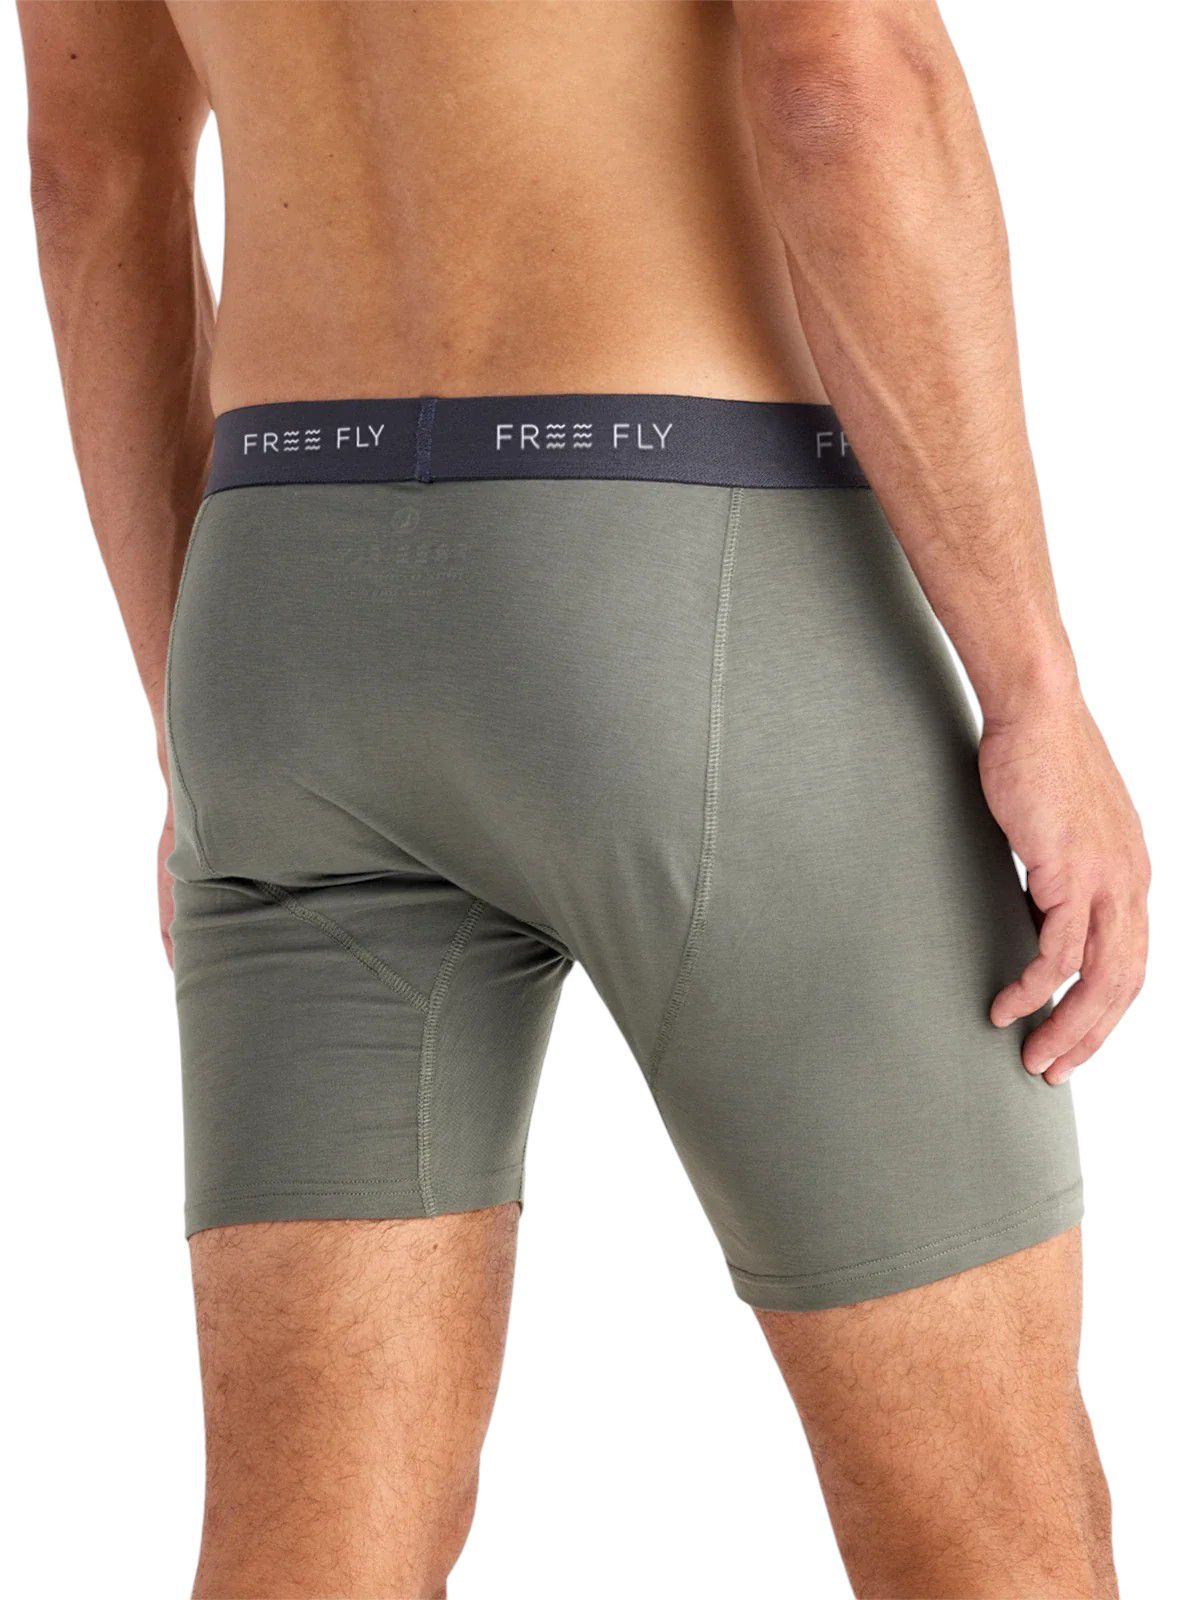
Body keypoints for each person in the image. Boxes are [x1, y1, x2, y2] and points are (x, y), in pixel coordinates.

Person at [19, 2, 1148, 1596]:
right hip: (688, 575)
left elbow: (94, 177)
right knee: (989, 1530)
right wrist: (1035, 683)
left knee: (308, 1553)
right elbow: (846, 84)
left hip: (280, 607)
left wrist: (188, 732)